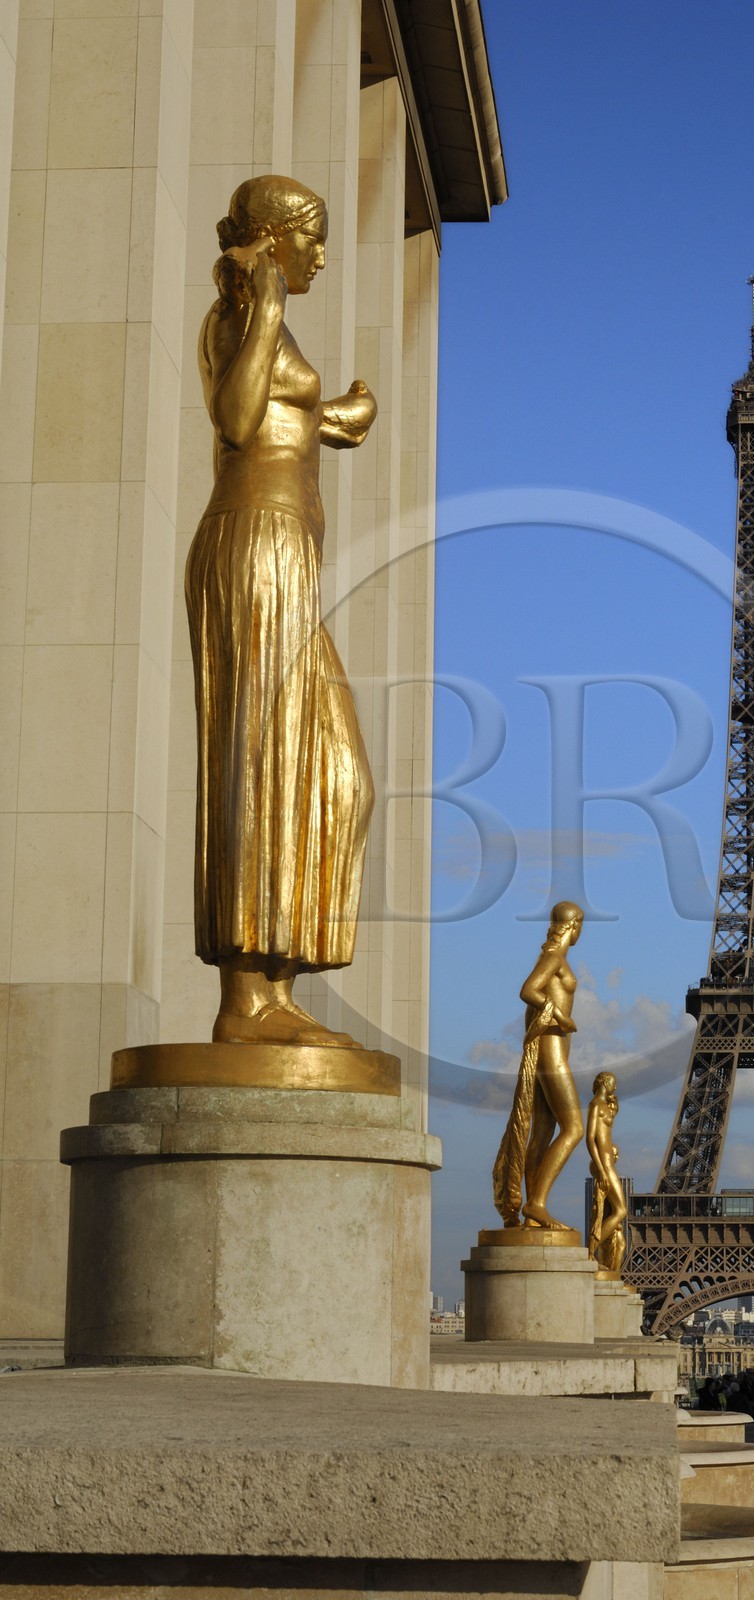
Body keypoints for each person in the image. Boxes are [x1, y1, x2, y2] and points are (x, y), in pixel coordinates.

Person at [187, 175, 377, 1046]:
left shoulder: (268, 316)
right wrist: (263, 306)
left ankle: (275, 986)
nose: (323, 257)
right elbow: (233, 417)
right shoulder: (238, 307)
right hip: (253, 543)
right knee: (260, 758)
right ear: (276, 237)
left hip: (287, 551)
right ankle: (244, 1003)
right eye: (314, 239)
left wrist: (342, 414)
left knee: (334, 777)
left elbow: (288, 417)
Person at [492, 903, 585, 1229]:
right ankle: (537, 1203)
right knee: (574, 1128)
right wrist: (559, 1015)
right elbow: (528, 990)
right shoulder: (554, 958)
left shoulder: (556, 957)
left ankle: (533, 1214)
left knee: (543, 1132)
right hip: (551, 1047)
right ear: (574, 925)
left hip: (556, 1047)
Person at [586, 1071, 627, 1273]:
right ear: (604, 1082)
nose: (615, 1087)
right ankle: (589, 1250)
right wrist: (601, 1169)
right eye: (613, 1083)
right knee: (621, 1210)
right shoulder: (595, 1105)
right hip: (604, 1165)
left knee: (616, 1211)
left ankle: (594, 1250)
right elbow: (590, 1139)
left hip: (608, 1162)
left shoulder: (604, 1105)